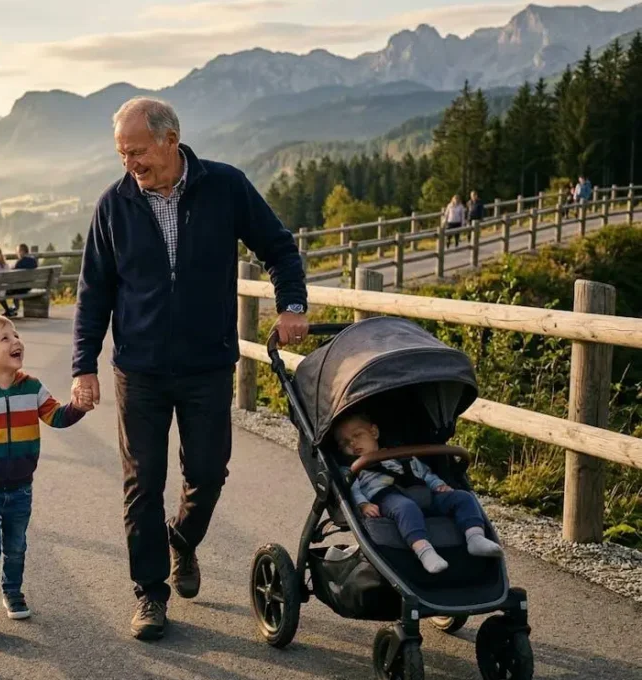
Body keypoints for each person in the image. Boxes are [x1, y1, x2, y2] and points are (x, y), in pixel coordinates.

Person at [71, 96, 309, 641]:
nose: (129, 162)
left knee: (208, 472)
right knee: (142, 484)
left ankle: (180, 539)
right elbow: (93, 294)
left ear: (170, 140)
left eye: (136, 150)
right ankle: (150, 594)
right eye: (121, 153)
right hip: (140, 370)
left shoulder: (224, 186)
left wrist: (291, 304)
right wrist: (84, 366)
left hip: (206, 365)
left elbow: (277, 246)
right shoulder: (113, 205)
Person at [0, 314, 87, 636]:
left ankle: (13, 593)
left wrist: (78, 407)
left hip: (21, 488)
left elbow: (57, 416)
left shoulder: (32, 387)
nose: (16, 341)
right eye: (5, 338)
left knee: (16, 546)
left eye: (16, 335)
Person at [334, 413, 503, 574]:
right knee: (406, 508)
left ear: (374, 432)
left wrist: (439, 485)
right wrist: (363, 504)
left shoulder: (400, 455)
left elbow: (425, 474)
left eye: (357, 435)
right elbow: (353, 489)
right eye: (344, 444)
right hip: (387, 498)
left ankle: (475, 538)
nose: (352, 444)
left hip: (424, 494)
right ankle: (424, 551)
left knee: (463, 497)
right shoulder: (352, 468)